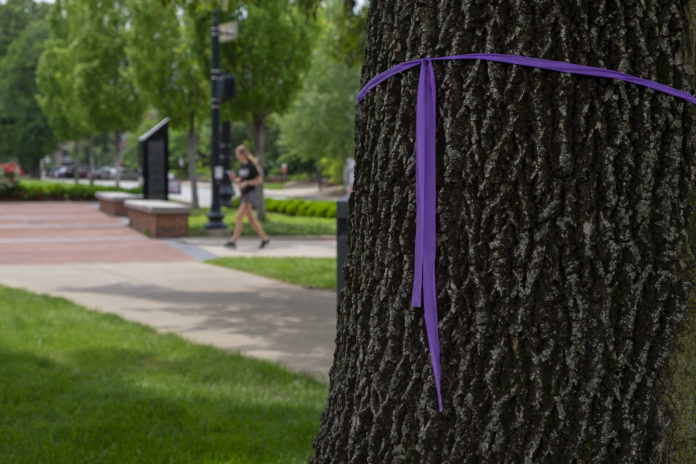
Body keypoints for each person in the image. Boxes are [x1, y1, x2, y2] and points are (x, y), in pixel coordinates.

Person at [224, 144, 270, 249]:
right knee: (251, 220)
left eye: (237, 154)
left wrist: (247, 183)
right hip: (244, 195)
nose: (236, 156)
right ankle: (265, 239)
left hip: (250, 194)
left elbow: (259, 180)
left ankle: (233, 241)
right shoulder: (242, 166)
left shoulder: (251, 166)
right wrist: (233, 179)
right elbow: (240, 180)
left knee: (239, 217)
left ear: (243, 154)